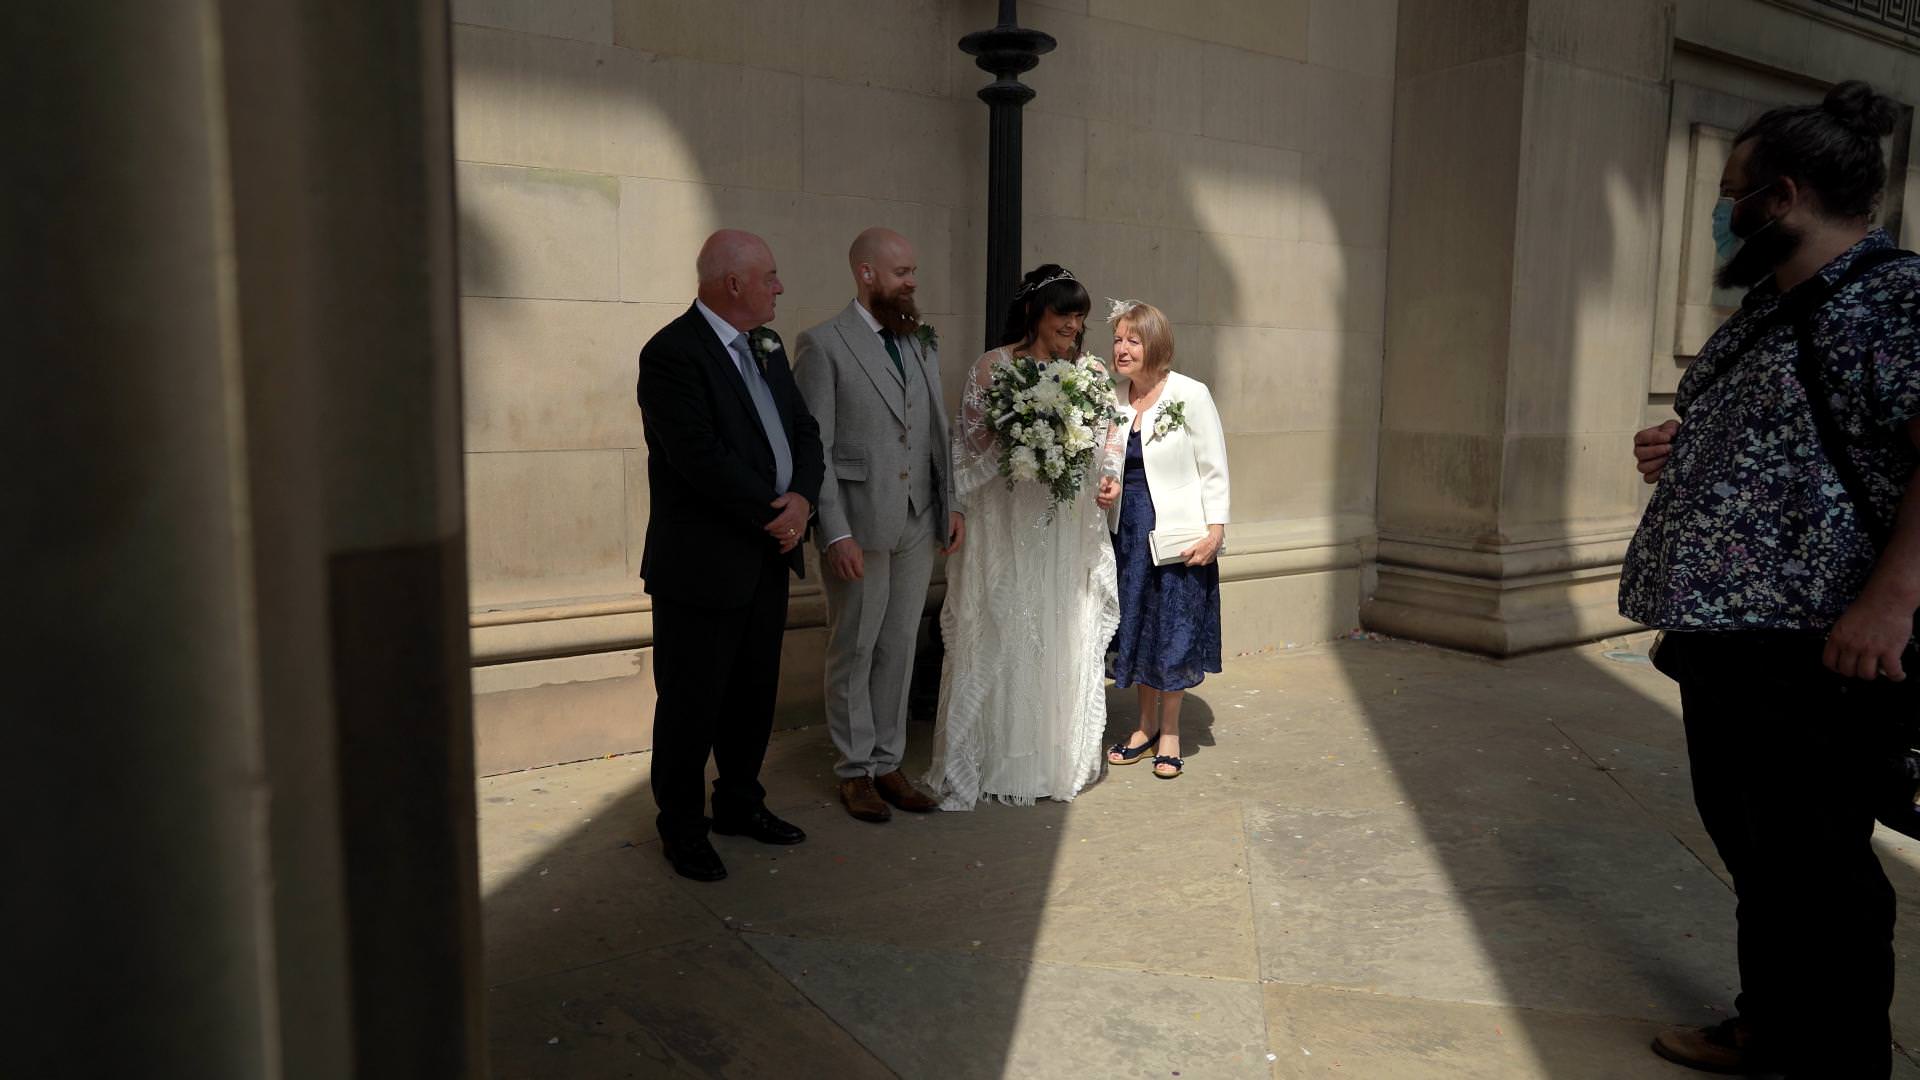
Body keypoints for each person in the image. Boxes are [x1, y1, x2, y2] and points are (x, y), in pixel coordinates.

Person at [1620, 81, 1917, 1078]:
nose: (1722, 212)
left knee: (1818, 870)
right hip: (1727, 639)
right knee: (1759, 851)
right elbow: (1793, 437)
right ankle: (1770, 1022)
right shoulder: (1768, 308)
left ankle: (1830, 1056)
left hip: (1818, 643)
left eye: (1731, 191)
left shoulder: (1895, 299)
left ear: (1781, 194)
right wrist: (1688, 441)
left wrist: (1891, 600)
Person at [636, 229, 825, 883]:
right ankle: (682, 828)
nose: (778, 287)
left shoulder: (767, 346)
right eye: (769, 276)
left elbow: (803, 430)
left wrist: (803, 497)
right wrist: (778, 514)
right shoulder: (671, 355)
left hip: (769, 558)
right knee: (692, 704)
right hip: (703, 567)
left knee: (752, 698)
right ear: (733, 283)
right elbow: (698, 458)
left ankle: (740, 804)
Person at [924, 264, 1120, 808]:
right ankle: (994, 758)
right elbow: (963, 443)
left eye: (1080, 317)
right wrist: (1019, 438)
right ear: (1037, 312)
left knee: (1061, 626)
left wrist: (1107, 476)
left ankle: (1058, 757)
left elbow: (1111, 434)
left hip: (1065, 524)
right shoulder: (993, 367)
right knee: (1004, 621)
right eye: (1065, 314)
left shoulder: (1094, 372)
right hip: (1004, 522)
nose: (1074, 327)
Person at [792, 228, 963, 824]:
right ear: (866, 274)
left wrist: (952, 504)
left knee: (897, 646)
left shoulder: (918, 341)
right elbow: (815, 446)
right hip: (859, 526)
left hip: (918, 519)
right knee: (855, 646)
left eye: (913, 270)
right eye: (901, 272)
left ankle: (889, 761)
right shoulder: (822, 345)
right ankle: (854, 770)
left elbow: (936, 428)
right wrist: (833, 531)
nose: (912, 281)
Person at [1094, 300, 1228, 780]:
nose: (1122, 348)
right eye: (1118, 339)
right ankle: (1144, 724)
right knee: (1136, 628)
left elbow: (1213, 467)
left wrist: (1215, 531)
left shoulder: (1190, 394)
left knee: (1171, 629)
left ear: (1156, 346)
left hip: (1177, 534)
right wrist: (1103, 484)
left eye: (1133, 340)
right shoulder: (1110, 396)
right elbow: (1102, 461)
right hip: (1124, 531)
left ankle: (1170, 731)